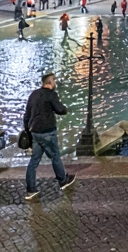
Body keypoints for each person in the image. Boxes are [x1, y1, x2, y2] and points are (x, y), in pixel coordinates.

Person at [23, 73, 75, 201]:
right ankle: (63, 181)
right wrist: (65, 108)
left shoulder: (34, 94)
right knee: (55, 156)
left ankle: (31, 190)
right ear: (50, 83)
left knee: (34, 161)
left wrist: (28, 131)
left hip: (35, 131)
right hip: (47, 131)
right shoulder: (51, 94)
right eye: (54, 81)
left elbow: (27, 115)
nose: (55, 83)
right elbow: (60, 109)